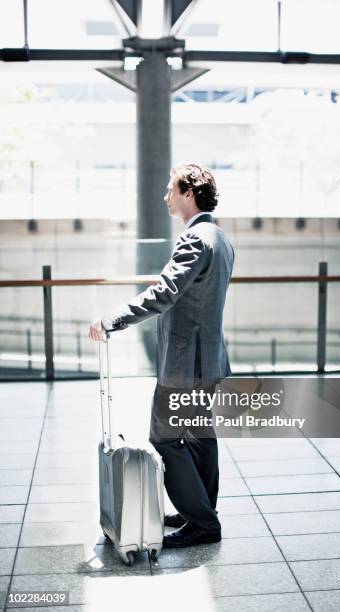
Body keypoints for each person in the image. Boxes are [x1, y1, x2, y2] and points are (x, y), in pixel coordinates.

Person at [89, 163, 234, 548]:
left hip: (186, 363)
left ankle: (201, 522)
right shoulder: (220, 238)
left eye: (171, 189)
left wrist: (111, 319)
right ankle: (201, 513)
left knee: (167, 439)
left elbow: (163, 294)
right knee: (201, 436)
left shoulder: (194, 240)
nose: (165, 196)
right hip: (211, 360)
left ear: (189, 193)